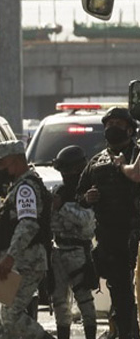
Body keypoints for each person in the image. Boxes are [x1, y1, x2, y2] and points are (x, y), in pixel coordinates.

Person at [77, 107, 140, 339]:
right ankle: (125, 332)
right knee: (120, 291)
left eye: (118, 124)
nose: (112, 128)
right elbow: (79, 194)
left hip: (135, 235)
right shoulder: (97, 161)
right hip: (111, 239)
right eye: (109, 124)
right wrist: (87, 198)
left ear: (130, 129)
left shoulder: (136, 156)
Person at [0, 140, 53, 339]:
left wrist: (10, 258)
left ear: (15, 161)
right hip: (11, 259)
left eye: (1, 163)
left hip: (25, 260)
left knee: (11, 316)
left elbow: (28, 225)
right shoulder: (16, 187)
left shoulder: (26, 189)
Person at [50, 145, 97, 339]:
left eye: (68, 171)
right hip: (58, 251)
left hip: (79, 252)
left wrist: (63, 208)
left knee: (84, 300)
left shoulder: (89, 193)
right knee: (59, 301)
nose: (65, 175)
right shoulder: (59, 191)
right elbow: (51, 222)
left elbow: (87, 223)